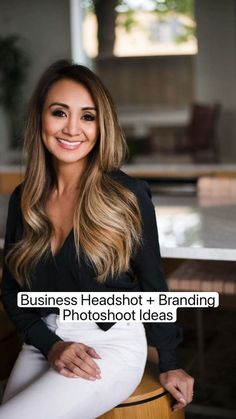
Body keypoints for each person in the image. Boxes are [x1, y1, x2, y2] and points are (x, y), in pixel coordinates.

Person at [0, 60, 194, 419]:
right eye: (60, 113)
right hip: (42, 340)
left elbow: (154, 286)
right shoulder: (24, 198)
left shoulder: (127, 195)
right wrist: (50, 344)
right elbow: (12, 290)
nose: (73, 129)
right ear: (40, 119)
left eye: (88, 117)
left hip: (110, 342)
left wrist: (170, 362)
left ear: (101, 126)